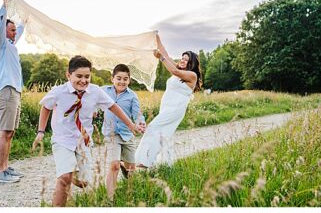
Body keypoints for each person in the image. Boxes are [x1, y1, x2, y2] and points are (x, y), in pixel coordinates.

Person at [33, 55, 143, 207]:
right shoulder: (58, 92)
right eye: (78, 76)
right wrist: (41, 131)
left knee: (84, 183)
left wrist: (131, 125)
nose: (83, 81)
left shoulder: (95, 91)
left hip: (84, 141)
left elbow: (113, 107)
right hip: (62, 140)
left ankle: (71, 174)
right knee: (64, 177)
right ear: (68, 75)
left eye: (87, 76)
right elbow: (46, 107)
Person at [135, 37, 201, 167]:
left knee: (153, 127)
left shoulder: (192, 76)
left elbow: (173, 69)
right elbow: (165, 54)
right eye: (182, 57)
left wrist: (161, 58)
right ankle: (165, 165)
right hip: (166, 107)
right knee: (165, 135)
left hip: (175, 109)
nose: (182, 60)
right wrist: (156, 37)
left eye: (186, 59)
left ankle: (144, 161)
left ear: (192, 63)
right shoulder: (178, 71)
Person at [0, 0, 24, 184]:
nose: (14, 33)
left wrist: (25, 21)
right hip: (6, 90)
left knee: (10, 132)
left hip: (15, 91)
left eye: (14, 31)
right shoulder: (0, 44)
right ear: (4, 32)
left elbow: (19, 30)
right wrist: (4, 5)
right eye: (10, 30)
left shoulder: (12, 45)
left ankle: (5, 167)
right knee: (4, 131)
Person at [101, 64, 146, 201]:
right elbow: (89, 97)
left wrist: (140, 123)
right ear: (112, 78)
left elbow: (137, 114)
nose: (122, 82)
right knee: (113, 166)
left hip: (127, 135)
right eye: (119, 78)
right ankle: (110, 200)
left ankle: (131, 195)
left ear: (129, 80)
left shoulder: (132, 96)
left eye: (125, 79)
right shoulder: (103, 91)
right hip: (111, 134)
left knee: (131, 169)